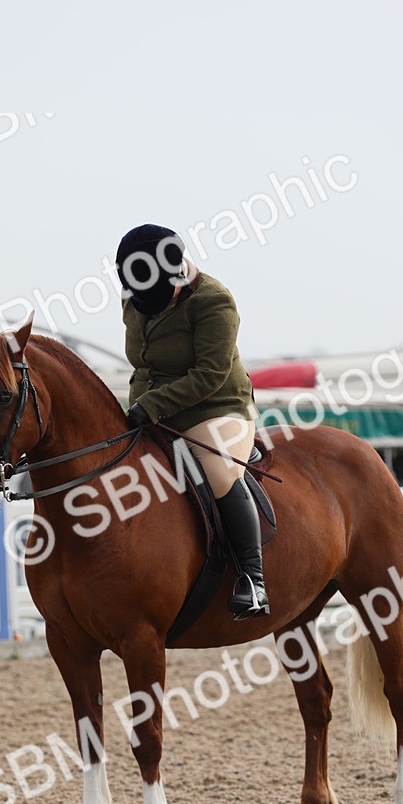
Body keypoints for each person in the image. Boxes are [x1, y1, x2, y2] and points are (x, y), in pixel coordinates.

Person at [116, 223, 268, 619]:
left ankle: (253, 579)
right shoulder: (134, 296)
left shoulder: (214, 301)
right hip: (152, 407)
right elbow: (144, 362)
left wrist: (152, 405)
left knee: (218, 473)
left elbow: (210, 374)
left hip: (216, 408)